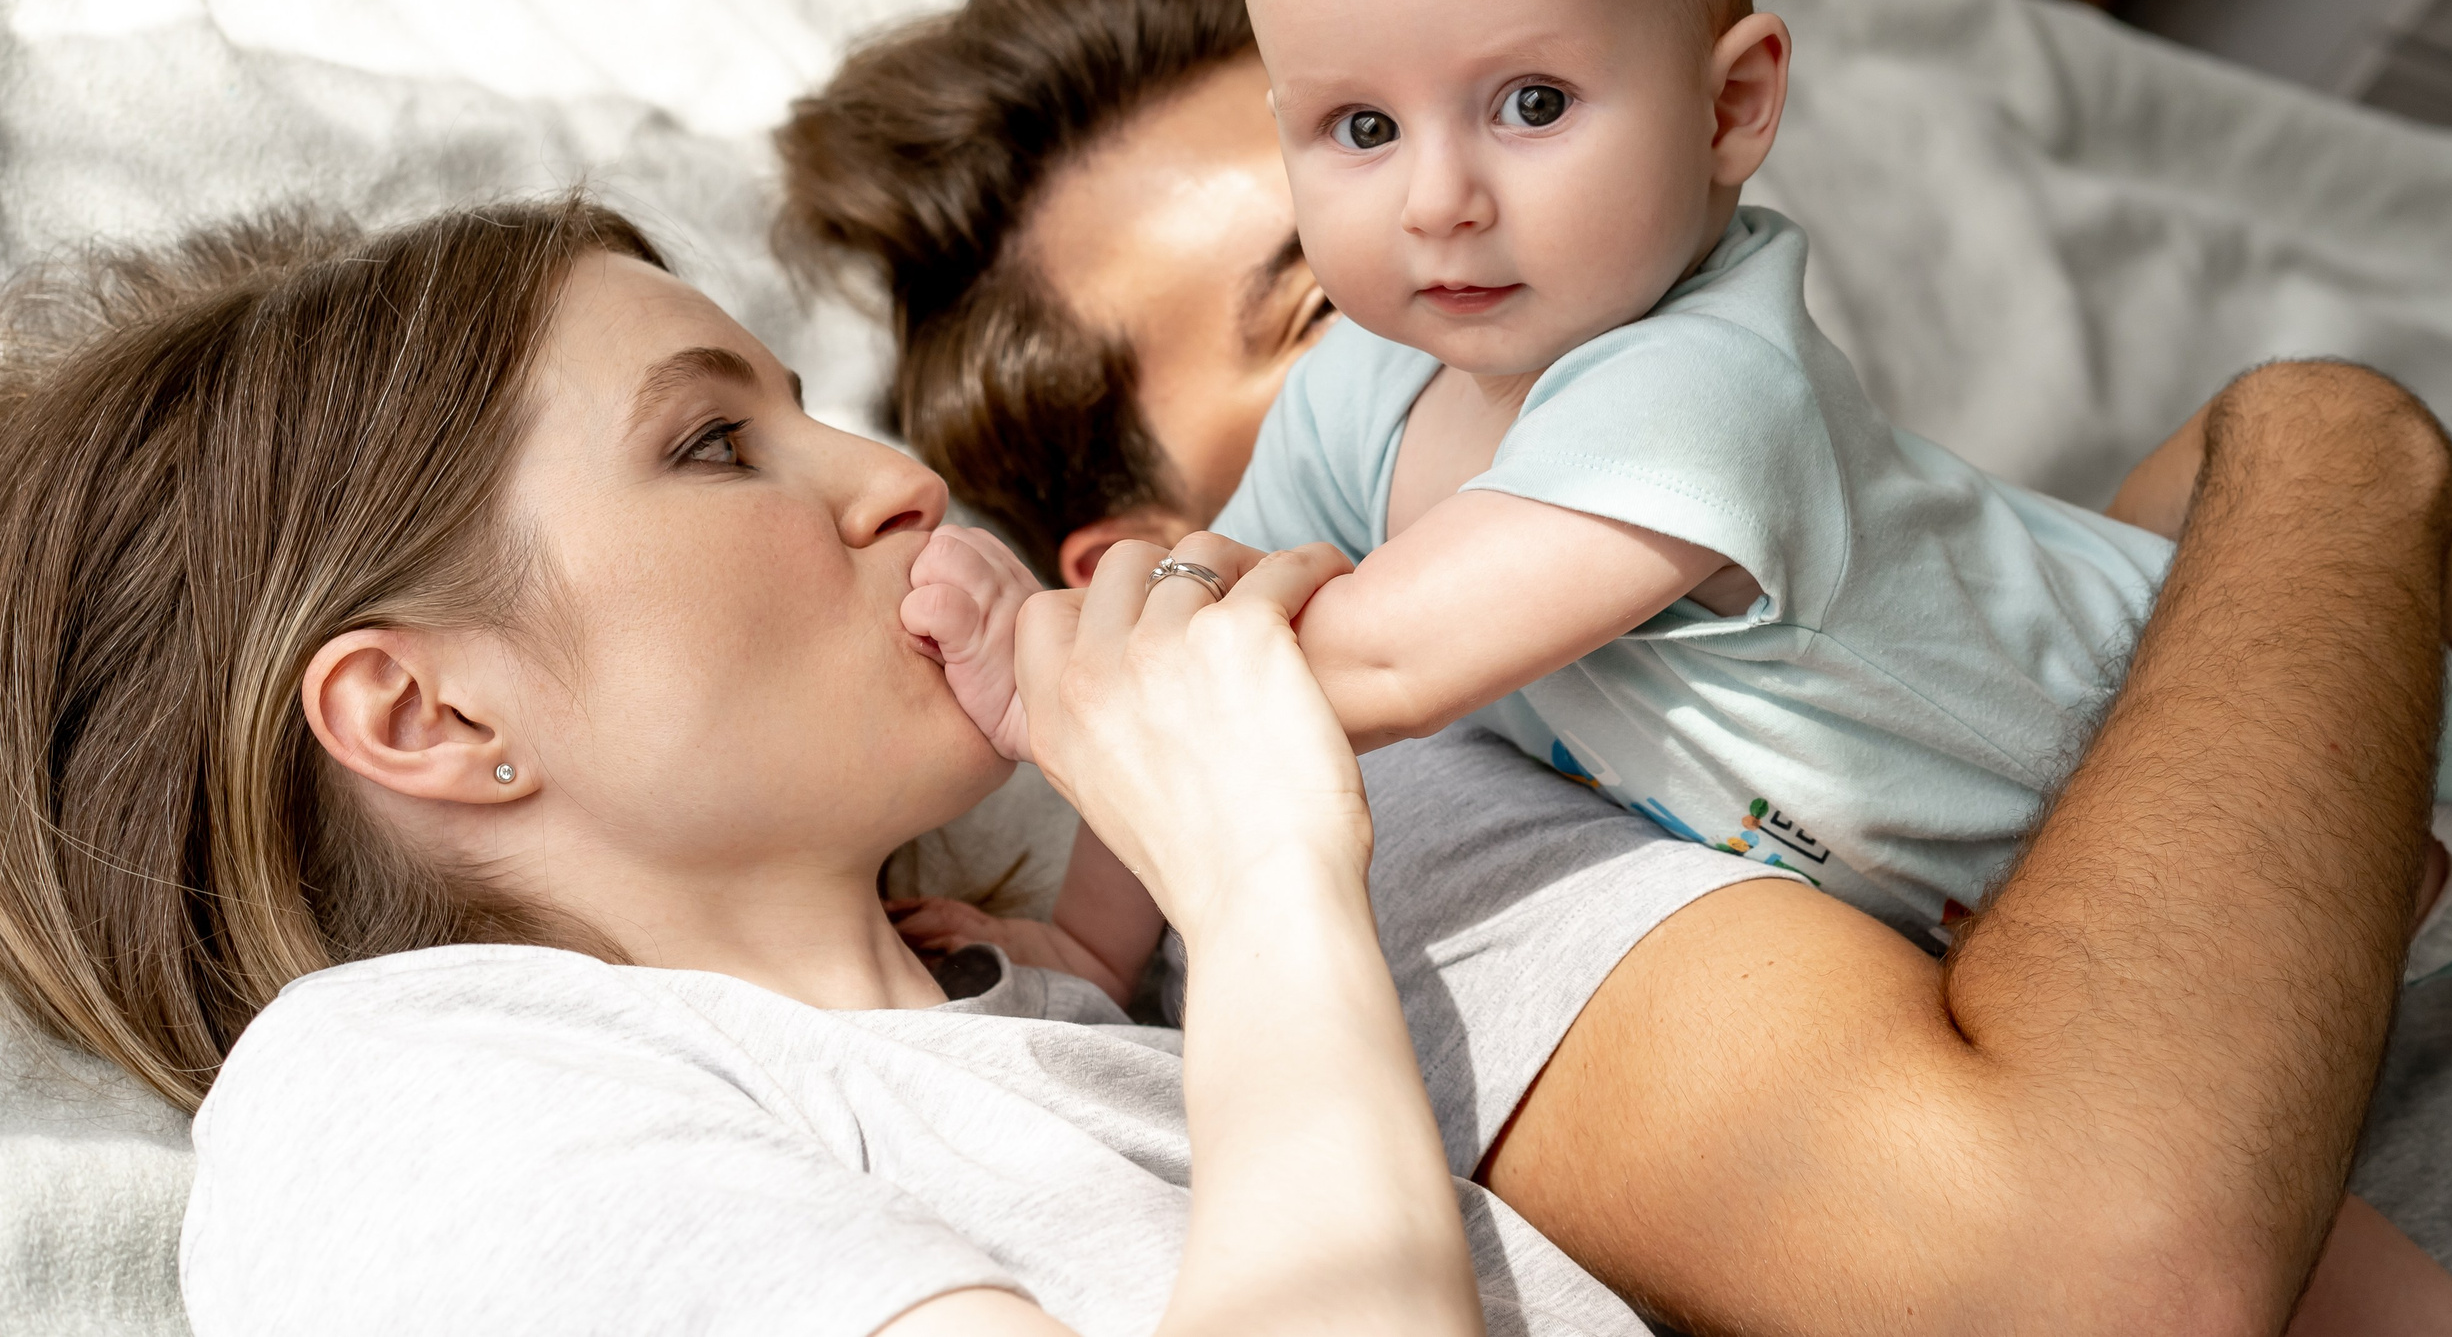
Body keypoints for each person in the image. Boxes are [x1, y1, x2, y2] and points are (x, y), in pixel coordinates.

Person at [778, 0, 2452, 1332]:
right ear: (1164, 559)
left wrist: (2339, 675)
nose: (1448, 241)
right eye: (1320, 295)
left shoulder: (1676, 473)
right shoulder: (1398, 833)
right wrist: (2335, 459)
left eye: (1469, 149)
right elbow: (2084, 1278)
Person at [0, 200, 1641, 1336]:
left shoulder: (1069, 1016)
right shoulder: (379, 1102)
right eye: (713, 444)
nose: (897, 478)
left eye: (802, 412)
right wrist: (1266, 870)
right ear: (431, 718)